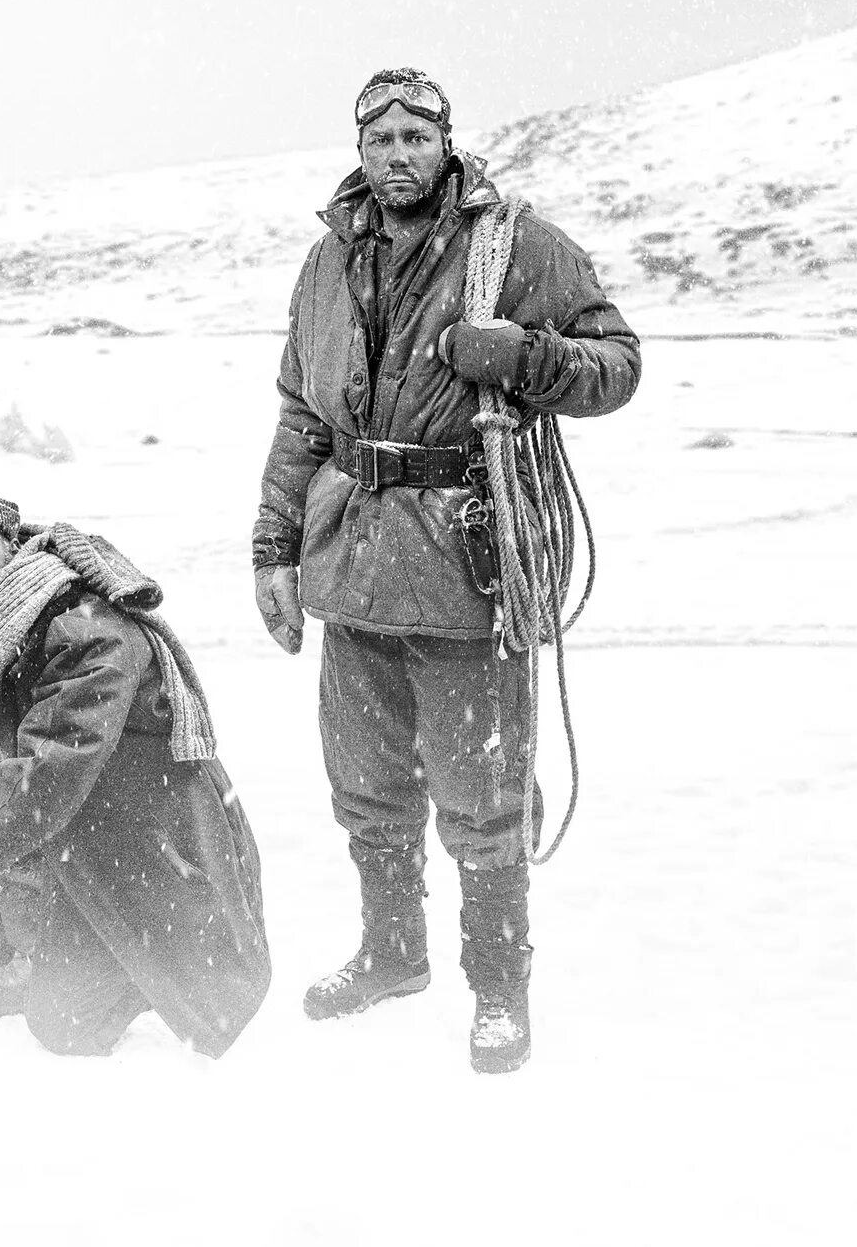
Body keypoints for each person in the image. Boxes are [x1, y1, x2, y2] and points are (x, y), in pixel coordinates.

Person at [251, 66, 641, 1074]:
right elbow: (301, 414)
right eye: (378, 139)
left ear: (447, 142)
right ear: (358, 148)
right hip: (350, 564)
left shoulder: (515, 243)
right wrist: (272, 548)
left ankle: (500, 988)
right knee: (369, 785)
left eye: (414, 138)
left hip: (469, 563)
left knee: (482, 794)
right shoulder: (327, 262)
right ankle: (391, 954)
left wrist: (518, 354)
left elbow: (617, 364)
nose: (396, 156)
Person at [0, 483, 273, 1058]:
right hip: (82, 828)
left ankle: (145, 967)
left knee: (206, 1004)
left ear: (15, 550)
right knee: (65, 1023)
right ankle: (38, 958)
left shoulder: (87, 630)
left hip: (154, 835)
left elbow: (42, 776)